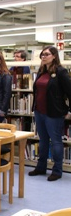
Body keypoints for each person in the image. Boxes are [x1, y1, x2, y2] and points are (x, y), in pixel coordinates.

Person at [28, 46, 71, 182]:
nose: (43, 57)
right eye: (42, 55)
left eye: (46, 54)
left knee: (56, 141)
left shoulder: (61, 72)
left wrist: (69, 111)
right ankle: (41, 167)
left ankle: (57, 170)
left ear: (54, 56)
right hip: (39, 111)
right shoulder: (41, 72)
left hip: (54, 113)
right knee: (43, 140)